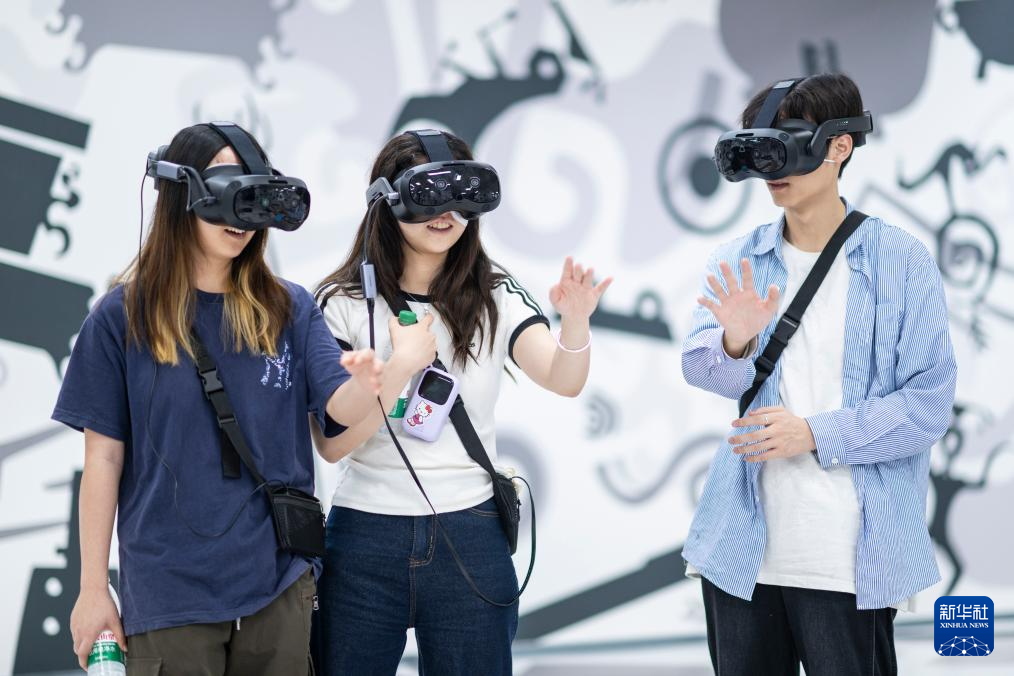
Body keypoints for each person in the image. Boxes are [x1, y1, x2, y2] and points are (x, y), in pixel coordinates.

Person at [53, 123, 384, 674]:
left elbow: (338, 414)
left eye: (253, 195)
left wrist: (376, 382)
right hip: (168, 594)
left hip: (278, 587)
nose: (240, 218)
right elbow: (103, 459)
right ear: (180, 193)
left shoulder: (290, 309)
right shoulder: (121, 318)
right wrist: (91, 590)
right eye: (227, 189)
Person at [681, 73, 957, 675]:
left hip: (848, 555)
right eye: (760, 150)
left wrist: (813, 433)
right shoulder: (738, 258)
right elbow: (702, 370)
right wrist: (735, 341)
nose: (771, 171)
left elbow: (929, 403)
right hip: (740, 549)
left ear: (839, 145)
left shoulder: (900, 261)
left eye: (785, 146)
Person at [313, 129, 612, 675]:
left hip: (469, 531)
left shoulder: (495, 294)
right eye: (428, 194)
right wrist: (398, 368)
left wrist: (575, 322)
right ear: (385, 199)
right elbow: (331, 445)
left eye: (462, 195)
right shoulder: (342, 303)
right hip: (364, 535)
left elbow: (562, 377)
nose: (446, 212)